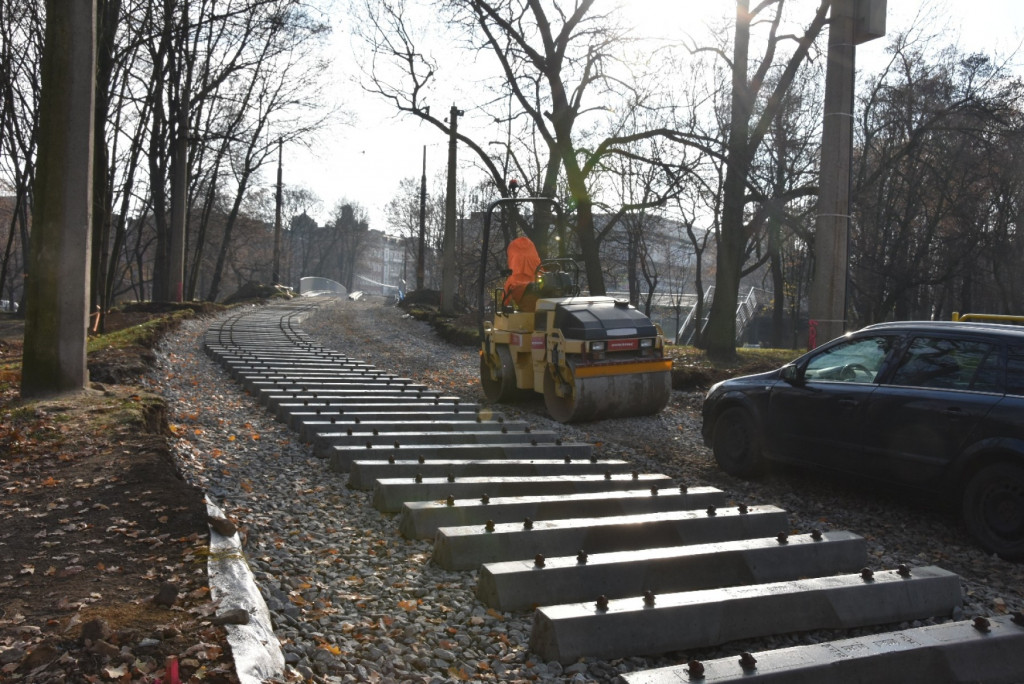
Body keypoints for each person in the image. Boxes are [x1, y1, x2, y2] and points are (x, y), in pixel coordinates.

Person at [502, 236, 541, 311]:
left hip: (527, 313)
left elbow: (505, 300)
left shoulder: (514, 281)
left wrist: (504, 306)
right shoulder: (541, 274)